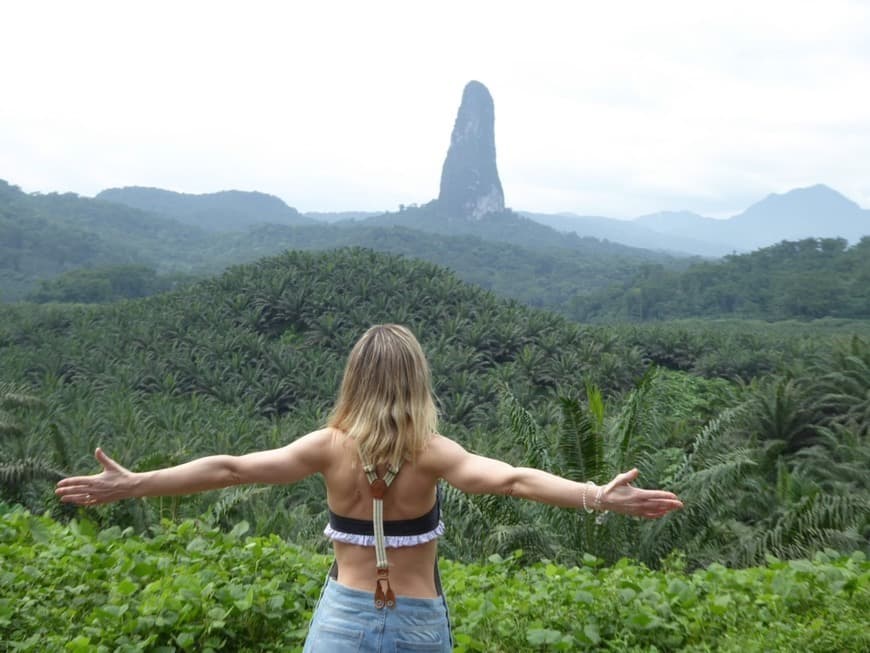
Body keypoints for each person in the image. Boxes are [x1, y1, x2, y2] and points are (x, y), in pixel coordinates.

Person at [56, 324, 683, 652]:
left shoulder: (328, 447)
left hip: (344, 619)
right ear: (418, 382)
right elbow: (514, 480)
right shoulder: (433, 454)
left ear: (354, 377)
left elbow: (231, 469)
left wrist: (136, 484)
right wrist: (597, 494)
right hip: (415, 621)